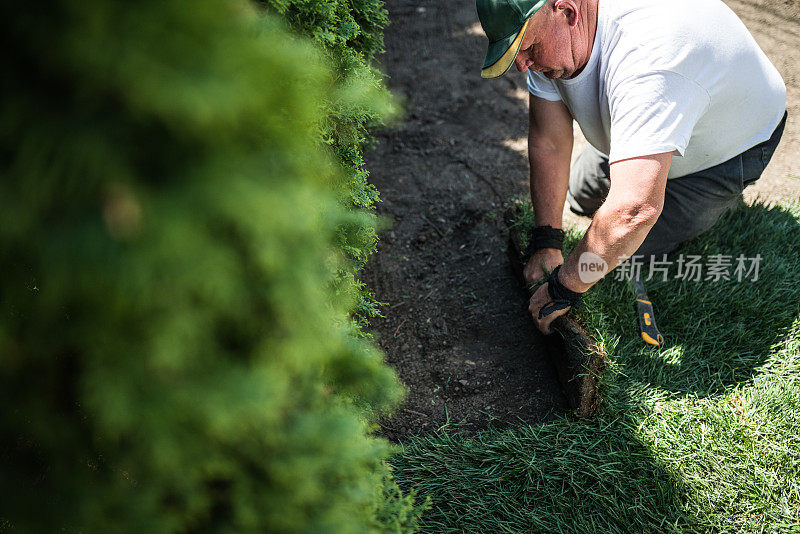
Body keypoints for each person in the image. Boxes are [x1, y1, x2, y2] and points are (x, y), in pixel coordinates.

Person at [476, 0, 787, 334]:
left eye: (530, 48)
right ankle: (645, 152)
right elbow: (549, 141)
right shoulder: (552, 41)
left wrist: (563, 288)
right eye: (517, 52)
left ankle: (704, 190)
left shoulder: (649, 58)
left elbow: (635, 212)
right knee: (582, 197)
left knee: (629, 248)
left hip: (730, 146)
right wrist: (546, 240)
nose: (523, 65)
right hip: (651, 101)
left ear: (567, 12)